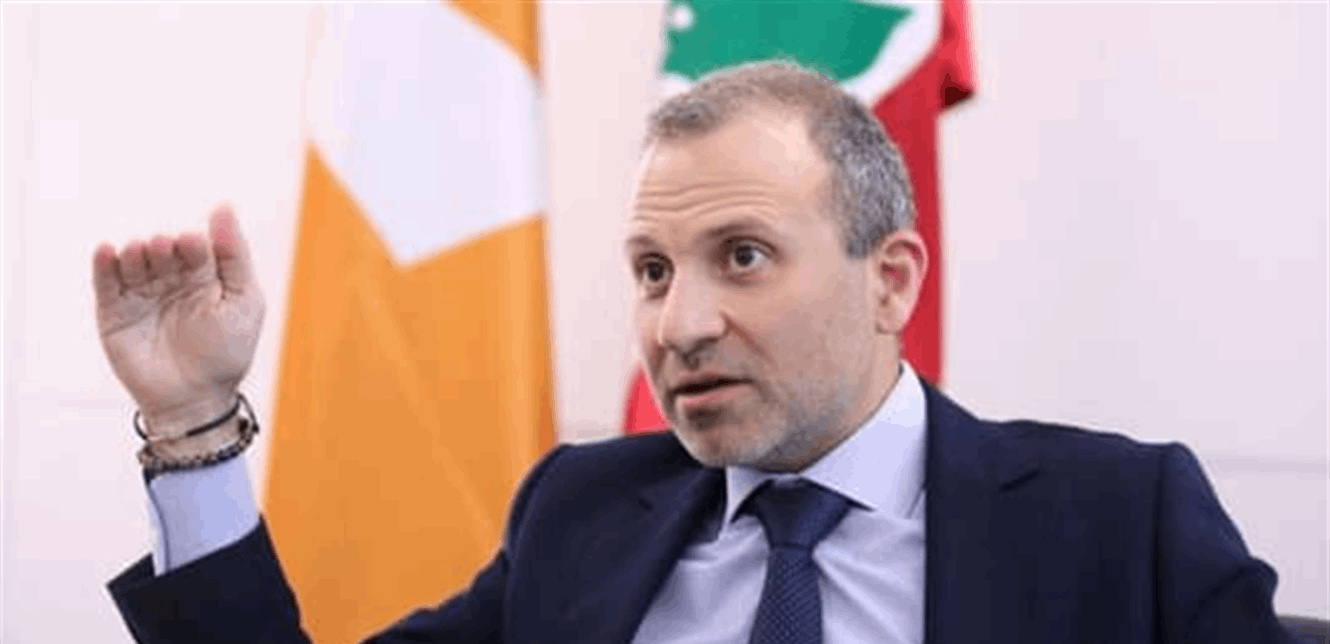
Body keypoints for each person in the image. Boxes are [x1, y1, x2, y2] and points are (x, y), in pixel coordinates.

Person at [95, 63, 1296, 644]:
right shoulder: (579, 513)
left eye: (743, 256)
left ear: (889, 279)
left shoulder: (1117, 519)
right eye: (652, 270)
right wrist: (194, 421)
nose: (678, 324)